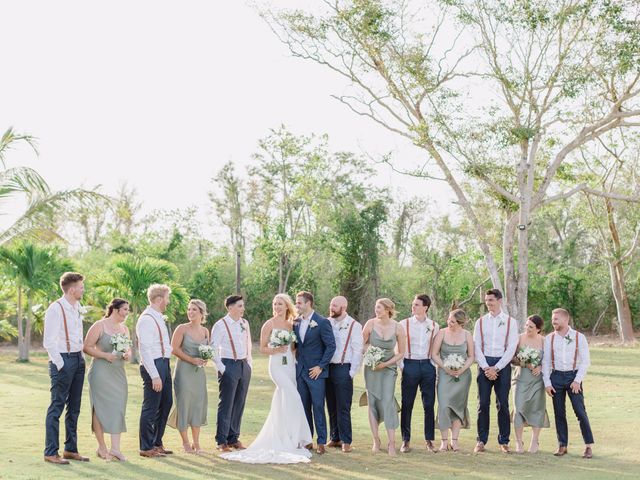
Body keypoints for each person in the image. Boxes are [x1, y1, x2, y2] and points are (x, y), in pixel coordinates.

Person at [222, 294, 312, 464]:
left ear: (287, 306)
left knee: (283, 399)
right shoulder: (269, 324)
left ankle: (289, 436)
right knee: (294, 395)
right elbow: (262, 349)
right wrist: (276, 350)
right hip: (276, 365)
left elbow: (294, 348)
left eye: (280, 304)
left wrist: (293, 357)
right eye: (275, 303)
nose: (277, 306)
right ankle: (302, 437)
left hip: (290, 365)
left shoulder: (292, 323)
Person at [43, 272, 90, 464]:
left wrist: (80, 358)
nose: (83, 289)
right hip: (63, 361)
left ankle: (71, 449)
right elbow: (49, 341)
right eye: (80, 287)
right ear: (71, 289)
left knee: (75, 407)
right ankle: (50, 452)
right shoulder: (56, 309)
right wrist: (60, 364)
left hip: (78, 360)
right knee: (57, 407)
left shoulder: (77, 307)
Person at [542, 308, 594, 459]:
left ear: (565, 320)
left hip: (573, 376)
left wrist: (577, 380)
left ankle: (588, 446)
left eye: (556, 319)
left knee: (580, 412)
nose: (553, 321)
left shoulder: (579, 337)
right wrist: (547, 383)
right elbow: (545, 362)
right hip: (556, 377)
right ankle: (562, 445)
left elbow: (585, 361)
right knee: (559, 413)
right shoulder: (549, 338)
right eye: (553, 319)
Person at [84, 298, 131, 461]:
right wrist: (106, 355)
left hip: (118, 373)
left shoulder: (125, 329)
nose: (127, 313)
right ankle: (102, 447)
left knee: (118, 408)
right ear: (115, 309)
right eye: (125, 309)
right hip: (100, 372)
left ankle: (115, 449)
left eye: (128, 310)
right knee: (99, 408)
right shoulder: (99, 325)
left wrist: (126, 355)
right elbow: (87, 347)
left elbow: (129, 351)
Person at [473, 289, 518, 453]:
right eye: (486, 300)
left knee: (503, 404)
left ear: (500, 300)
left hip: (502, 364)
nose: (488, 303)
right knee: (483, 404)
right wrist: (486, 367)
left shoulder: (510, 322)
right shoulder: (480, 322)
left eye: (491, 300)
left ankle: (504, 440)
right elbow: (476, 345)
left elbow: (512, 347)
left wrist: (497, 367)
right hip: (484, 364)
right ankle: (481, 440)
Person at [293, 291, 336, 455]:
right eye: (296, 303)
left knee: (318, 406)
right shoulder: (296, 322)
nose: (297, 306)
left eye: (299, 303)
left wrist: (320, 367)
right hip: (301, 371)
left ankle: (321, 441)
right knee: (304, 407)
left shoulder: (322, 322)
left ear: (308, 303)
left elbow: (331, 346)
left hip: (316, 372)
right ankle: (307, 440)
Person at [362, 298, 407, 456]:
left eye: (379, 308)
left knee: (387, 401)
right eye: (376, 307)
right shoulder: (370, 324)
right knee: (372, 401)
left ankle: (392, 443)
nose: (376, 310)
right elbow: (362, 344)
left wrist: (386, 363)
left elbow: (401, 352)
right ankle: (376, 440)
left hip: (388, 369)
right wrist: (372, 354)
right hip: (371, 368)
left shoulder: (398, 327)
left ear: (388, 309)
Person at [398, 294, 440, 453]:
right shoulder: (404, 324)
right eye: (413, 304)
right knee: (407, 403)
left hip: (428, 365)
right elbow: (398, 347)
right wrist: (403, 366)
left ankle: (429, 440)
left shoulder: (434, 326)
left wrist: (433, 364)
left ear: (425, 307)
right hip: (410, 364)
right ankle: (405, 440)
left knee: (429, 404)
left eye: (416, 304)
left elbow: (436, 347)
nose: (413, 307)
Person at [136, 284, 173, 458]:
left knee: (166, 403)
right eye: (167, 298)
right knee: (151, 407)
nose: (168, 301)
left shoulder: (158, 317)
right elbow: (145, 349)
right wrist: (155, 375)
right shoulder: (146, 319)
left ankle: (157, 442)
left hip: (164, 363)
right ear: (159, 299)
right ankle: (145, 446)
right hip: (154, 366)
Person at [211, 295, 252, 452]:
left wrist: (249, 365)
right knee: (226, 404)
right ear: (230, 307)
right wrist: (222, 368)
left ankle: (233, 438)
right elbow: (213, 349)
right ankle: (221, 441)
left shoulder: (244, 323)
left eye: (242, 305)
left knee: (239, 403)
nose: (243, 309)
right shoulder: (220, 325)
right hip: (228, 364)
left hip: (243, 365)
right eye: (240, 306)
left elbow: (247, 345)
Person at [168, 299, 210, 453]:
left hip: (199, 374)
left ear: (201, 313)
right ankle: (185, 442)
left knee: (198, 405)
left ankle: (196, 442)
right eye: (189, 309)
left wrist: (205, 358)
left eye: (194, 310)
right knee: (184, 404)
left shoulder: (205, 331)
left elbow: (207, 349)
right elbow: (174, 349)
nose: (190, 312)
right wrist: (192, 359)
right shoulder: (182, 329)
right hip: (184, 371)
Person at [431, 309, 474, 453]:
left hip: (462, 376)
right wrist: (445, 367)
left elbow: (471, 356)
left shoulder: (467, 335)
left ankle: (454, 441)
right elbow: (434, 354)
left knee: (458, 406)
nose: (449, 323)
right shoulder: (442, 333)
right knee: (444, 406)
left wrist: (461, 369)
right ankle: (443, 441)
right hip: (444, 374)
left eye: (453, 321)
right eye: (449, 319)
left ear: (460, 323)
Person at [326, 296, 363, 453]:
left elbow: (357, 349)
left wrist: (351, 372)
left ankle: (346, 440)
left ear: (343, 307)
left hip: (343, 367)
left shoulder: (354, 325)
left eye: (335, 305)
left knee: (343, 406)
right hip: (328, 368)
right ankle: (334, 437)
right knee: (331, 404)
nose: (331, 307)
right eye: (331, 304)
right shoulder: (327, 322)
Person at [512, 314, 549, 454]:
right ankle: (518, 441)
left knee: (536, 408)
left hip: (537, 380)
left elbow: (549, 360)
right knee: (518, 408)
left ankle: (534, 441)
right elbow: (512, 358)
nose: (527, 328)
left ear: (538, 329)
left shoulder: (544, 341)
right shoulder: (519, 338)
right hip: (520, 378)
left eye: (531, 327)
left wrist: (540, 367)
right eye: (526, 325)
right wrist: (526, 363)